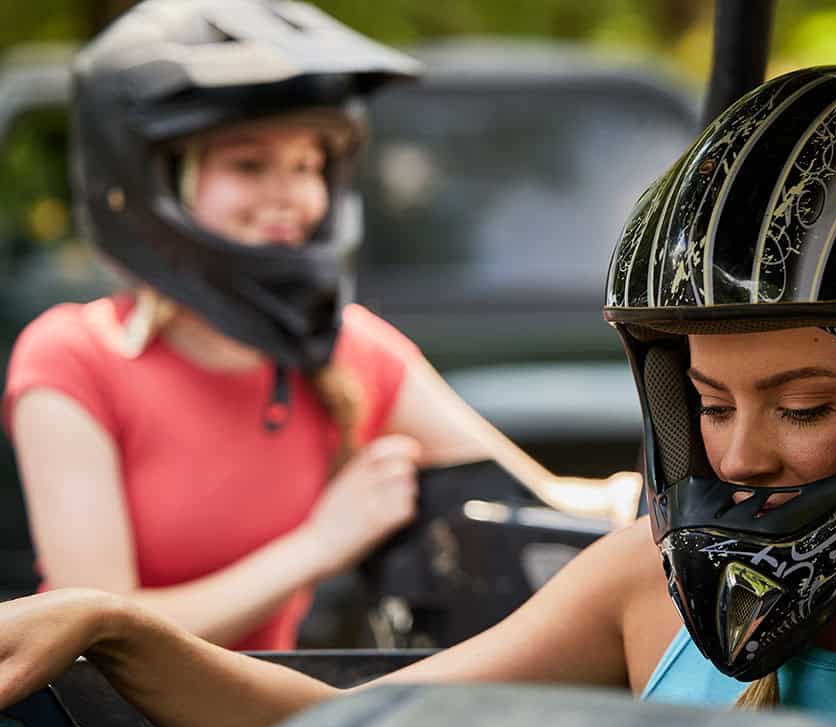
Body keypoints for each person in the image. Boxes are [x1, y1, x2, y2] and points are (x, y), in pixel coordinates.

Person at [0, 66, 836, 727]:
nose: (741, 454)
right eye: (709, 402)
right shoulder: (638, 586)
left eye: (803, 407)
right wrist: (111, 624)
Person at [1, 0, 637, 652]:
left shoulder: (342, 348)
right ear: (147, 182)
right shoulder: (72, 358)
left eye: (306, 166)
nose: (289, 196)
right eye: (248, 165)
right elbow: (92, 629)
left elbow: (538, 496)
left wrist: (661, 506)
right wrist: (319, 544)